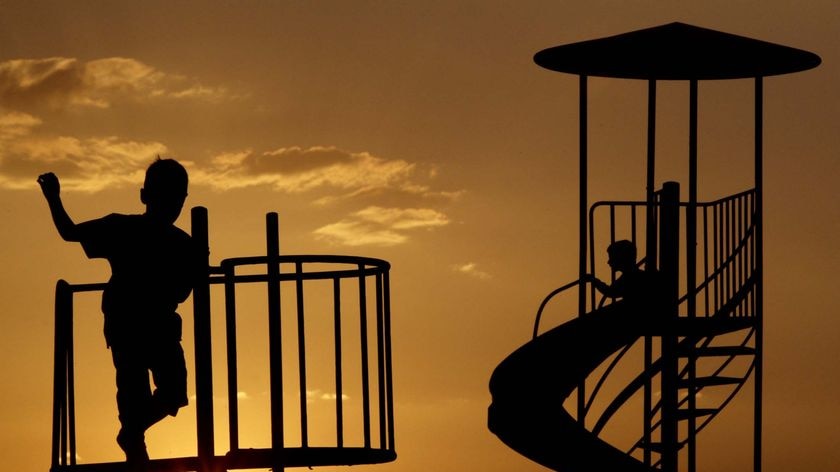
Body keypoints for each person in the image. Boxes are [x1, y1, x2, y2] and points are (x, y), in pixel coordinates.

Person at [38, 158, 201, 466]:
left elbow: (182, 292)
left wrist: (195, 264)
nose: (172, 204)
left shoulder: (183, 244)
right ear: (144, 196)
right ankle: (134, 441)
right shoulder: (122, 227)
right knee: (132, 393)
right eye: (166, 196)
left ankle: (131, 433)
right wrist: (54, 199)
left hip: (160, 326)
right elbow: (70, 232)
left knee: (173, 392)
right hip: (126, 324)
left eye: (177, 197)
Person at [585, 240, 664, 317]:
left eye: (612, 258)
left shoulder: (629, 278)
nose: (609, 262)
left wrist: (594, 280)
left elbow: (611, 292)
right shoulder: (633, 275)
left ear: (621, 258)